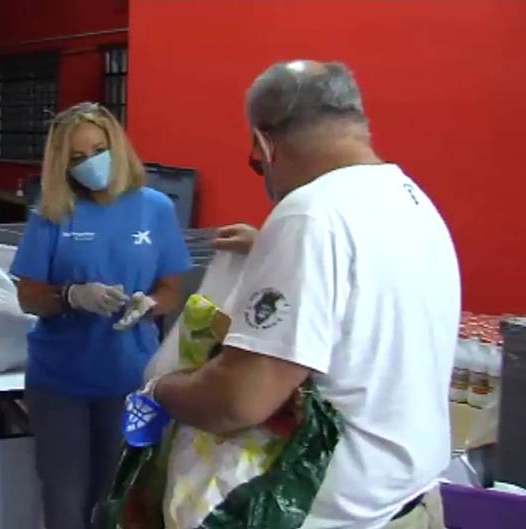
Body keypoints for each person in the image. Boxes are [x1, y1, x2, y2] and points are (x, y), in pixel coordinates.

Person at [149, 61, 458, 529]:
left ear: (264, 144)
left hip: (335, 515)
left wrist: (163, 388)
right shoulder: (407, 198)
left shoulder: (310, 215)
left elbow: (239, 400)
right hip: (412, 502)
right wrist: (271, 253)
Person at [11, 102, 192, 529]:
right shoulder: (52, 212)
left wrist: (151, 305)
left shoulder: (156, 208)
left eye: (97, 149)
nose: (90, 163)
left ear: (117, 146)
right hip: (61, 383)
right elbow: (28, 295)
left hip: (130, 379)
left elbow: (171, 288)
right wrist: (72, 295)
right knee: (65, 501)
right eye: (76, 158)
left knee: (118, 500)